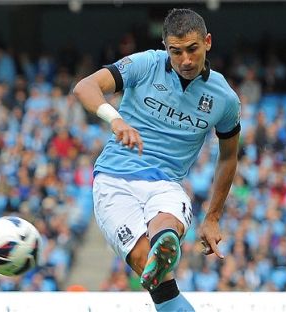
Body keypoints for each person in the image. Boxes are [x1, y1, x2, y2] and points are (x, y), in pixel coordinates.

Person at [73, 8, 240, 311]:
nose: (185, 60)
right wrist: (115, 120)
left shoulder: (224, 98)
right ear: (166, 48)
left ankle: (165, 241)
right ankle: (161, 250)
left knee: (165, 225)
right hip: (114, 179)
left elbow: (229, 156)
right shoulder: (146, 64)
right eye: (176, 52)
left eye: (192, 49)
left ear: (208, 42)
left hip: (165, 182)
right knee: (150, 268)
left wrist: (213, 217)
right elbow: (85, 86)